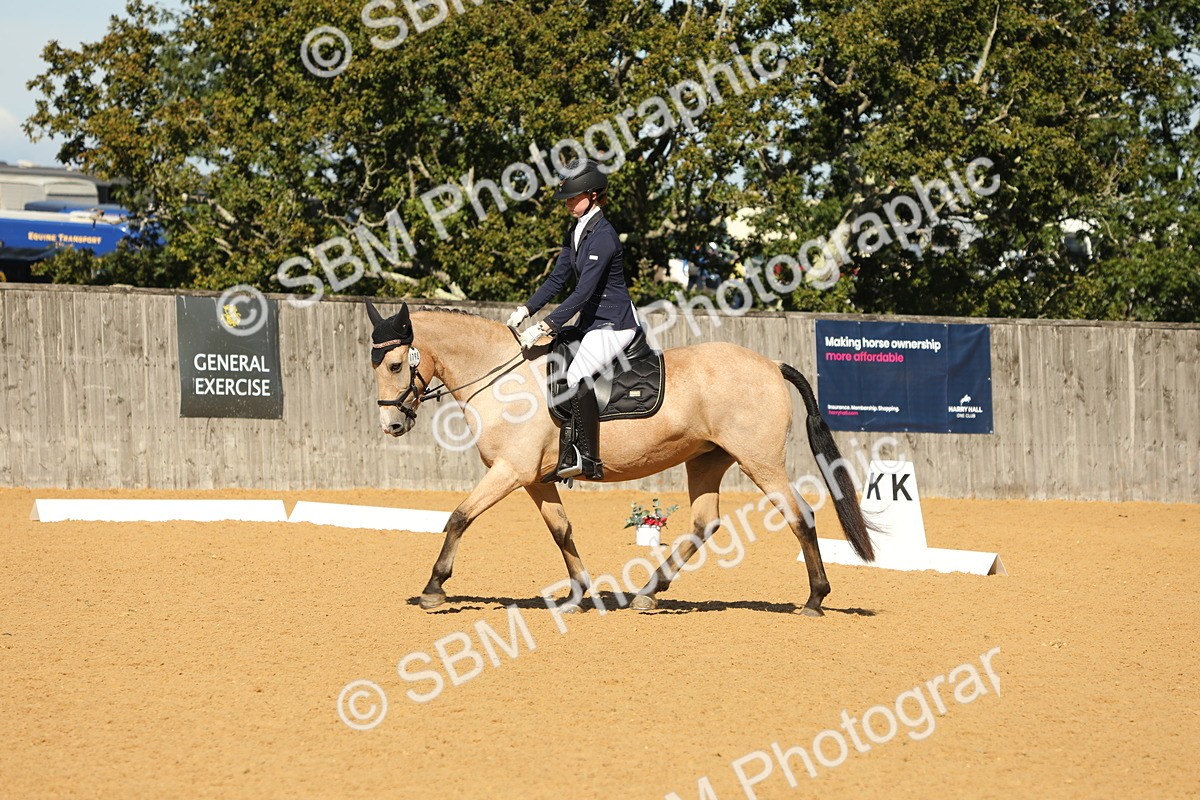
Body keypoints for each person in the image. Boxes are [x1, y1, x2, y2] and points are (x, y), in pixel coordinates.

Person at [507, 159, 640, 481]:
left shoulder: (604, 236)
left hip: (614, 323)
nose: (567, 202)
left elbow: (582, 292)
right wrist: (527, 309)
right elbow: (557, 279)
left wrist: (545, 325)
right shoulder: (577, 229)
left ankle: (588, 458)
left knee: (578, 373)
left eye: (573, 196)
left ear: (593, 195)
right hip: (591, 322)